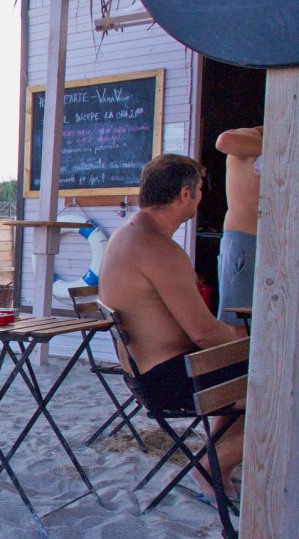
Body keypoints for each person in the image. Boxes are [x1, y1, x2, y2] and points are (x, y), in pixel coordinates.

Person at [99, 153, 246, 498]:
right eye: (199, 191)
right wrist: (250, 345)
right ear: (185, 194)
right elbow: (204, 334)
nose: (200, 198)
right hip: (169, 379)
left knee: (249, 373)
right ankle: (211, 466)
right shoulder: (157, 248)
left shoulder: (127, 235)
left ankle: (214, 466)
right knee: (279, 386)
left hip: (147, 376)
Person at [215, 125, 263, 325]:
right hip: (245, 242)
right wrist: (279, 147)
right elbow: (224, 141)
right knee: (238, 324)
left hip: (277, 248)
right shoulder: (252, 137)